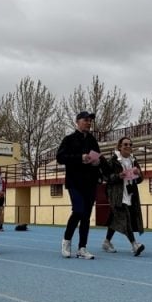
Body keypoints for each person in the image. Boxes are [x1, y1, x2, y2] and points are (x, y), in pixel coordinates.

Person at [55, 110, 102, 259]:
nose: (88, 123)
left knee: (86, 215)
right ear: (78, 121)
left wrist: (97, 162)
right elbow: (60, 157)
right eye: (85, 120)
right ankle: (66, 240)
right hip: (75, 182)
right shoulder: (69, 139)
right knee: (78, 210)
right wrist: (79, 158)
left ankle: (82, 247)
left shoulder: (92, 140)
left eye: (90, 120)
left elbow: (98, 157)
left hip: (90, 182)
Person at [100, 138, 145, 256]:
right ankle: (135, 245)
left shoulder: (133, 160)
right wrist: (119, 176)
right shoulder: (113, 160)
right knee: (125, 218)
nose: (128, 146)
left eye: (130, 144)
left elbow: (140, 179)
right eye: (125, 144)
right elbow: (105, 177)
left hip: (130, 194)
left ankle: (106, 242)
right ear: (120, 146)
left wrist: (139, 175)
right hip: (117, 195)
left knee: (116, 219)